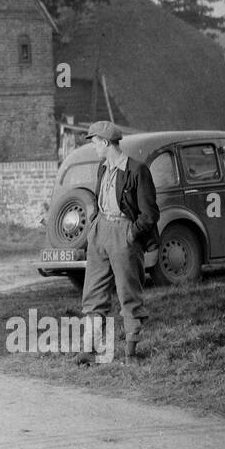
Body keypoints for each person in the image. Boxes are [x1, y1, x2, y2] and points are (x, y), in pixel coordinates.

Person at [79, 120, 158, 363]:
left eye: (94, 142)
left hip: (123, 234)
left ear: (105, 142)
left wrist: (131, 234)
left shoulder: (137, 170)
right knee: (93, 293)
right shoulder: (103, 168)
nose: (93, 147)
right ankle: (89, 351)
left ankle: (131, 352)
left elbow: (150, 214)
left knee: (128, 294)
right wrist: (94, 225)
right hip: (100, 231)